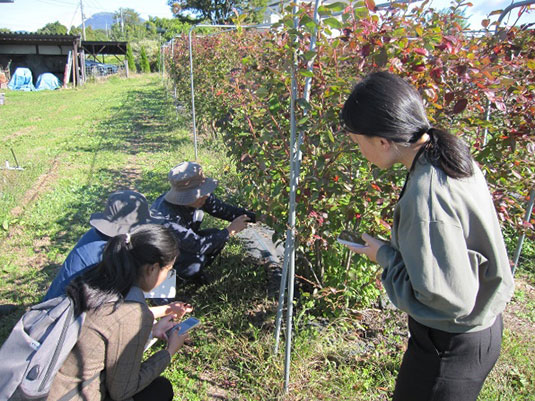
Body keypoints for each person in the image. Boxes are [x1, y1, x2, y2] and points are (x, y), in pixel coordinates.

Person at [339, 71, 514, 401]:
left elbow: (448, 300)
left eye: (357, 142)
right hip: (480, 329)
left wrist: (386, 258)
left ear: (382, 141)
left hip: (449, 347)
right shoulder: (447, 155)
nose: (358, 151)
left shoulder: (426, 194)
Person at [47, 224, 190, 401]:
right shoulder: (133, 313)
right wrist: (169, 351)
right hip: (73, 395)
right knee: (161, 389)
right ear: (152, 268)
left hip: (49, 383)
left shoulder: (98, 278)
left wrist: (152, 330)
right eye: (168, 271)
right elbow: (122, 391)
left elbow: (107, 326)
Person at [43, 190, 186, 319]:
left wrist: (166, 309)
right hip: (64, 323)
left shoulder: (96, 236)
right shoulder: (110, 257)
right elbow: (118, 316)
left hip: (53, 311)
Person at [151, 161, 255, 283]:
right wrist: (229, 231)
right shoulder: (166, 217)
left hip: (185, 243)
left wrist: (257, 217)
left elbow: (224, 210)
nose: (206, 196)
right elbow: (198, 245)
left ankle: (193, 272)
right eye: (200, 194)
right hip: (163, 256)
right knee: (194, 265)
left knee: (215, 236)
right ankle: (178, 277)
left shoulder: (202, 197)